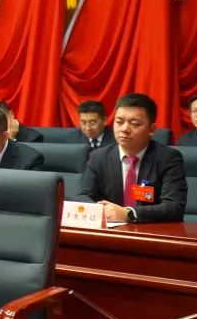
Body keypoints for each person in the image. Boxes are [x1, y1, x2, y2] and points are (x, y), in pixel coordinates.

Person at [77, 93, 187, 223]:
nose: (124, 129)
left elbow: (174, 207)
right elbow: (83, 196)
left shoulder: (168, 158)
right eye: (119, 122)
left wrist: (129, 214)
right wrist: (99, 211)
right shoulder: (99, 157)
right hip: (110, 229)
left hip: (150, 230)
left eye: (134, 124)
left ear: (152, 129)